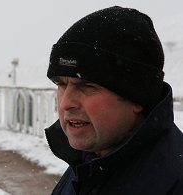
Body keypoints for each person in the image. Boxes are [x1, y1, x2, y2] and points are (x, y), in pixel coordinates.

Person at [45, 6, 183, 194]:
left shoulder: (173, 181)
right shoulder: (88, 163)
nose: (65, 103)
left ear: (137, 98)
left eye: (87, 86)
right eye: (61, 85)